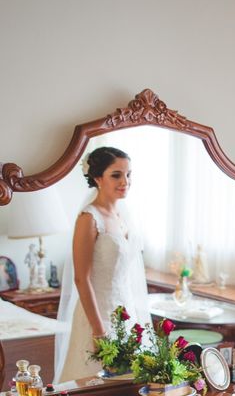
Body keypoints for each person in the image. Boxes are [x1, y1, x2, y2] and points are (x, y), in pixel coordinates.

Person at [55, 147, 151, 382]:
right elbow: (81, 278)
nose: (125, 181)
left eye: (128, 174)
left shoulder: (125, 217)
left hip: (126, 316)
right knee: (95, 382)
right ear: (98, 178)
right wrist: (99, 330)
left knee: (128, 384)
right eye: (116, 175)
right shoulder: (89, 219)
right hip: (98, 316)